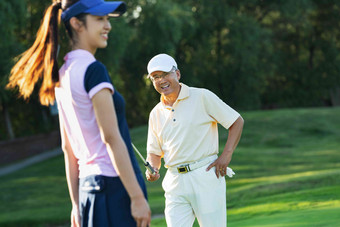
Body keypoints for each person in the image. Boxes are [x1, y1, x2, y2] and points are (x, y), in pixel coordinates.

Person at [7, 1, 151, 226]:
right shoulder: (94, 71)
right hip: (115, 188)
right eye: (99, 19)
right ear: (76, 23)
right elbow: (111, 137)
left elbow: (68, 149)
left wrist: (76, 204)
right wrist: (137, 197)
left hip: (87, 191)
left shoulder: (62, 74)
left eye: (107, 19)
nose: (108, 26)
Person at [145, 53, 244, 227]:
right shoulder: (155, 113)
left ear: (177, 74)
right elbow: (154, 152)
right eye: (155, 77)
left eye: (165, 74)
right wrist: (152, 169)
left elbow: (236, 122)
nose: (161, 80)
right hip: (174, 181)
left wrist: (226, 155)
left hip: (205, 175)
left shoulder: (202, 97)